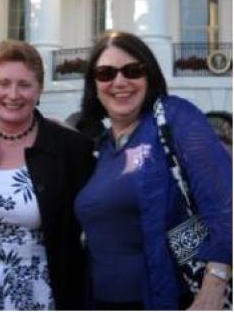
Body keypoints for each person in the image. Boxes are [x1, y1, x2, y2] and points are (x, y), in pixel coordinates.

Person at [74, 31, 232, 310]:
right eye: (106, 73)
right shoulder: (101, 148)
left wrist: (215, 284)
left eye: (133, 71)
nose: (120, 81)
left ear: (150, 77)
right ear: (94, 85)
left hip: (170, 298)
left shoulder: (175, 118)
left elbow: (226, 199)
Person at [0, 40, 95, 310]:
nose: (13, 94)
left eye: (24, 84)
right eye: (4, 83)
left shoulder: (70, 149)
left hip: (39, 294)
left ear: (39, 90)